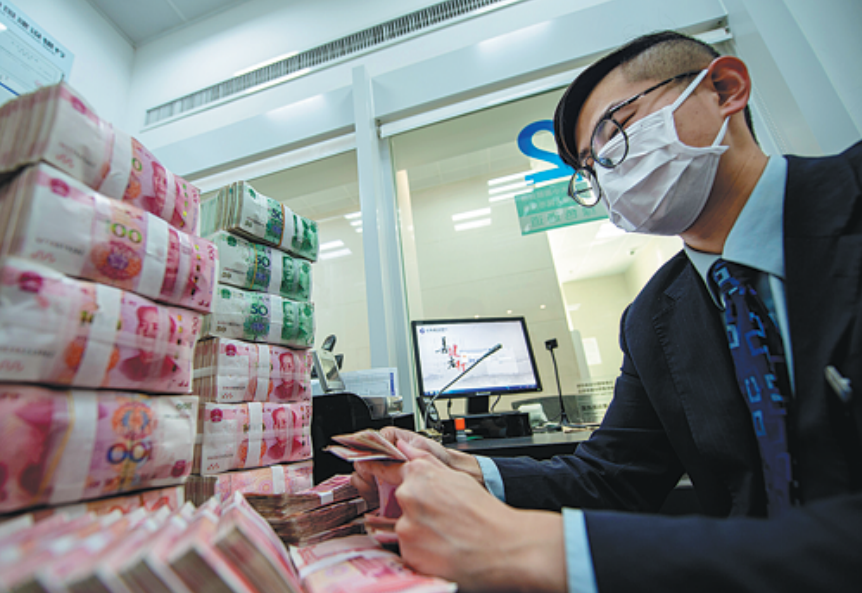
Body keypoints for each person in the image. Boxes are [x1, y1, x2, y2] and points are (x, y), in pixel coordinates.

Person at [353, 30, 862, 593]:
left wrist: (540, 549)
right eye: (593, 168)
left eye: (616, 134)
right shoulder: (654, 317)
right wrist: (470, 468)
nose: (609, 173)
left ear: (725, 88)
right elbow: (614, 475)